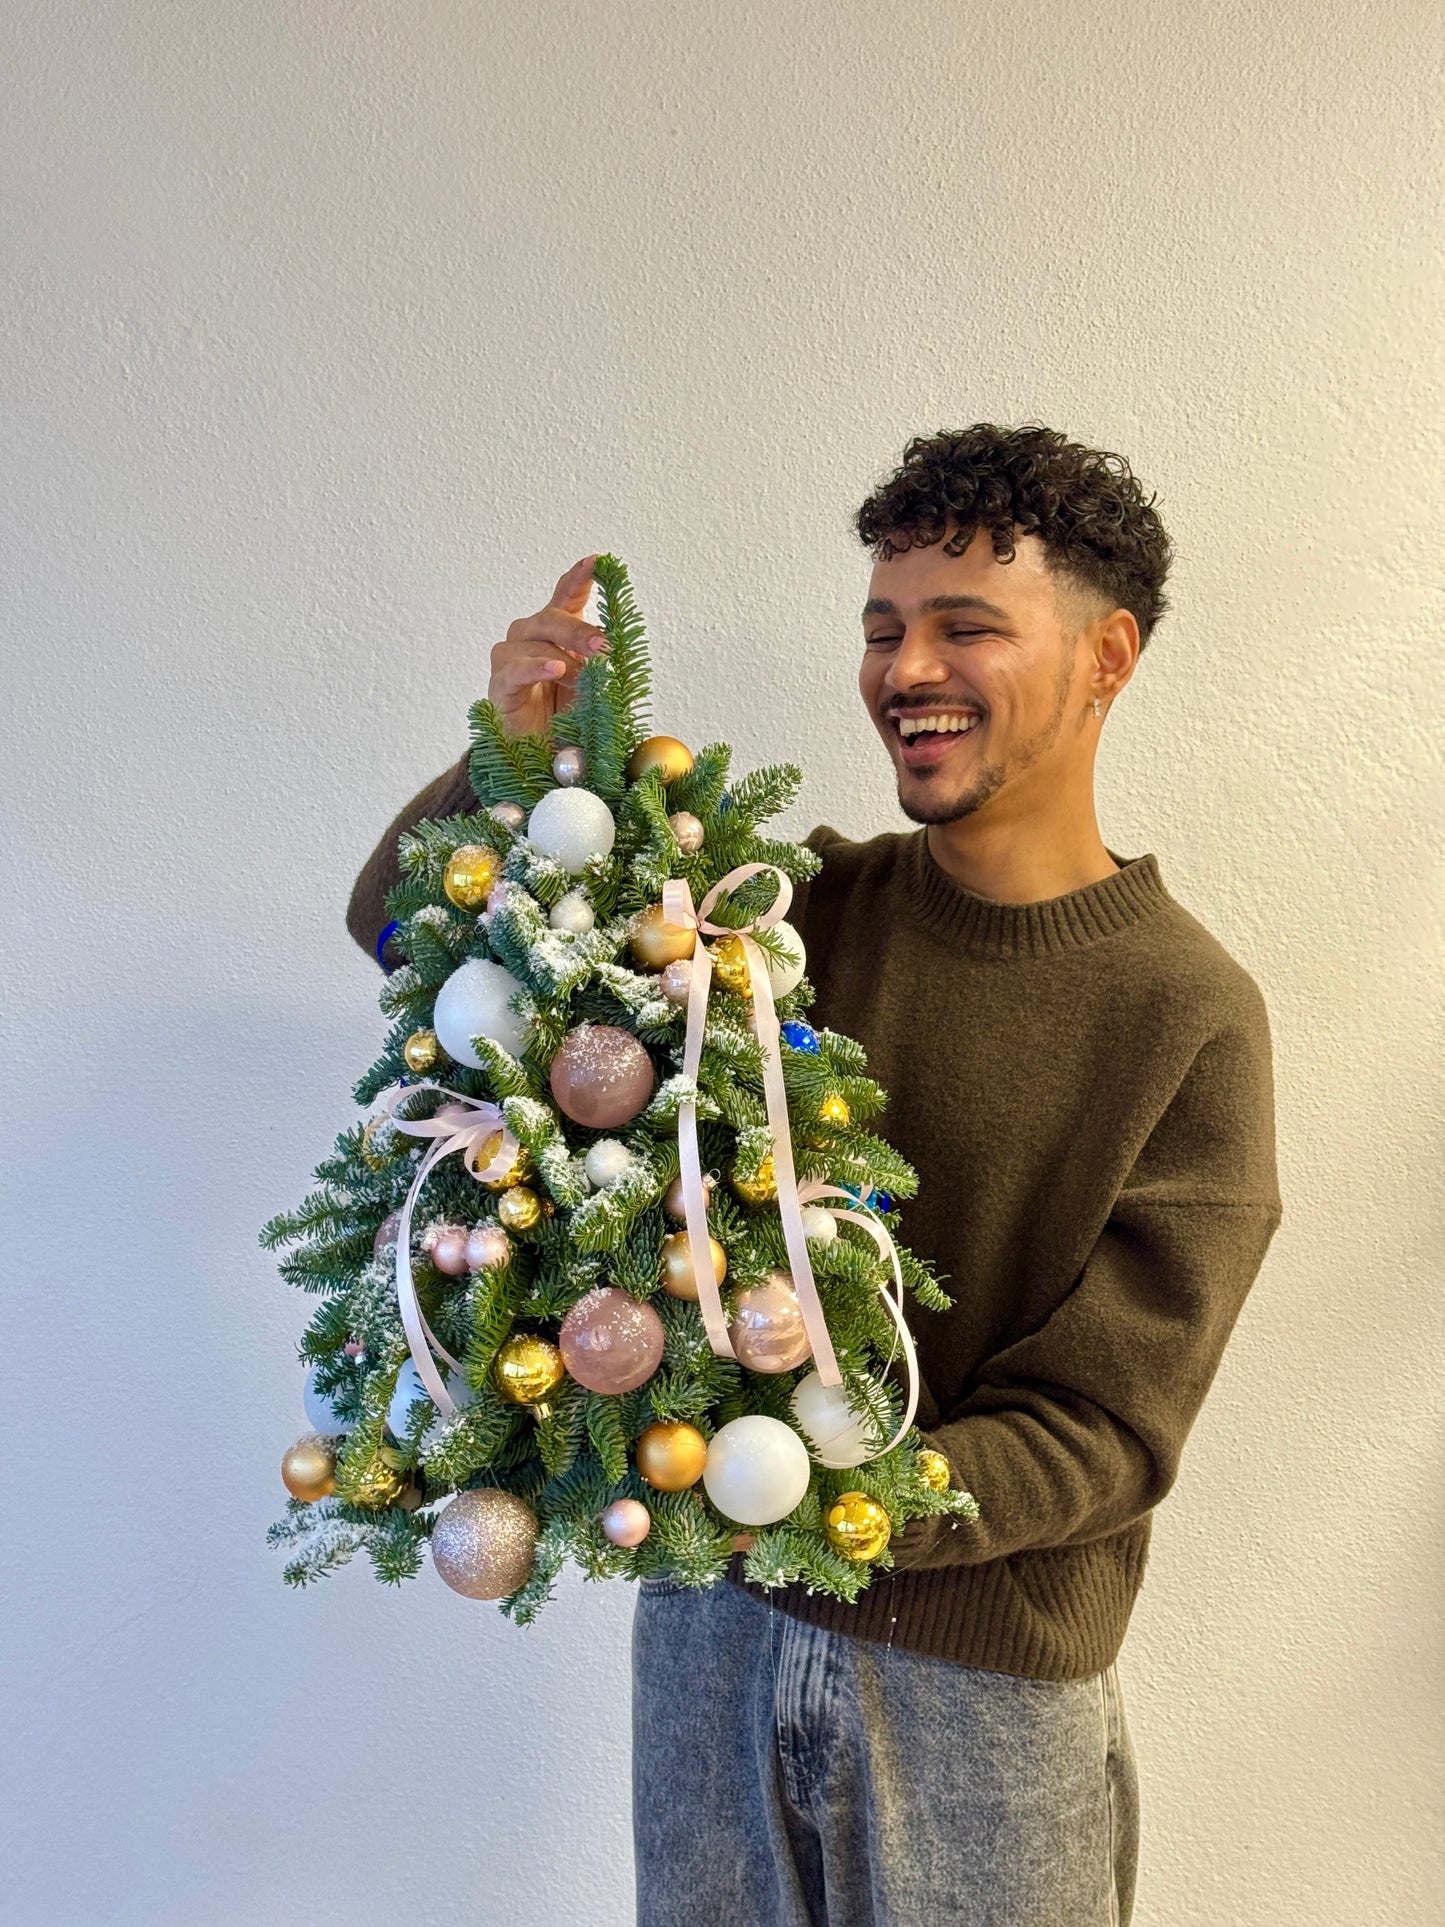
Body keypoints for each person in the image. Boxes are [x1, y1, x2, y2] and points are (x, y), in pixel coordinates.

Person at [345, 423, 1284, 1926]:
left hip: (985, 1696)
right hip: (711, 1636)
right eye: (883, 628)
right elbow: (413, 940)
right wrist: (516, 750)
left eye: (965, 626)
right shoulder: (766, 928)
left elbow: (1108, 1426)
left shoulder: (1183, 1013)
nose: (908, 666)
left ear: (1107, 657)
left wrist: (818, 1503)